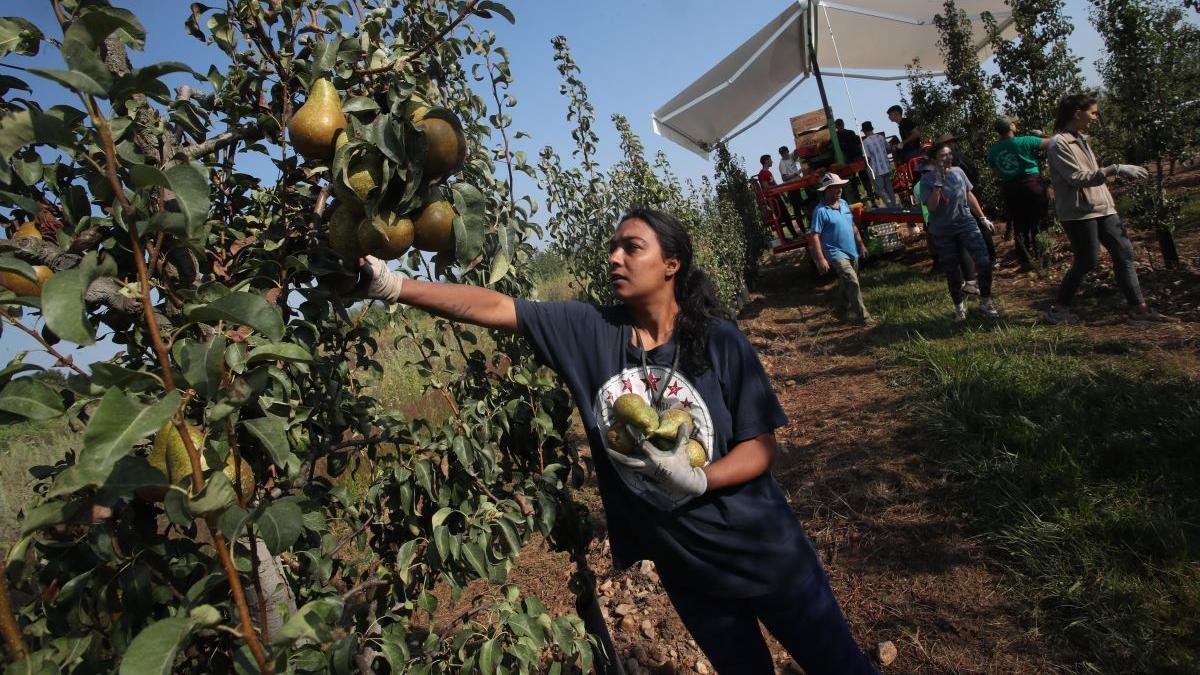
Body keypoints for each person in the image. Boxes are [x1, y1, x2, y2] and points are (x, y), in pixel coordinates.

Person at [353, 208, 879, 675]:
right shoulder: (591, 331)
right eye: (612, 247)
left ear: (671, 264)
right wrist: (394, 286)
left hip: (766, 551)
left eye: (632, 247)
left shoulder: (718, 339)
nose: (615, 258)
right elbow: (494, 306)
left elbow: (762, 445)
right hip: (690, 570)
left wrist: (699, 478)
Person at [1044, 94, 1171, 324]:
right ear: (1077, 113)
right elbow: (1076, 178)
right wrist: (1115, 169)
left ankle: (1138, 309)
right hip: (1079, 211)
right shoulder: (1059, 144)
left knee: (1124, 252)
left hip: (1104, 206)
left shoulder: (1080, 139)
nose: (1095, 117)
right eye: (1092, 112)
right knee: (1088, 259)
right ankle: (1059, 308)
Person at [918, 142, 1000, 320]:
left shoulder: (958, 172)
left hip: (965, 221)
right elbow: (932, 207)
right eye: (943, 155)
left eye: (949, 154)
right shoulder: (926, 181)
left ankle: (985, 302)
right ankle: (959, 307)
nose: (948, 158)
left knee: (984, 261)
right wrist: (938, 183)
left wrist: (982, 217)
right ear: (933, 160)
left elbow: (969, 195)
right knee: (952, 270)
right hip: (942, 229)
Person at [808, 174, 874, 326]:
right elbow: (815, 236)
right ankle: (864, 318)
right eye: (835, 187)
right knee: (852, 281)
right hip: (836, 253)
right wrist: (821, 258)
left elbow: (852, 226)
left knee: (847, 283)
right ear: (826, 190)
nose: (839, 190)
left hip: (851, 251)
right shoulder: (820, 211)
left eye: (840, 186)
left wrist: (861, 244)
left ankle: (840, 310)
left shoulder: (844, 204)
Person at [987, 116, 1051, 271]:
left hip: (1010, 188)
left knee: (1019, 224)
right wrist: (1042, 135)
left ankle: (1025, 261)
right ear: (1011, 127)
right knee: (1038, 222)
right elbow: (1053, 142)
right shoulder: (1025, 140)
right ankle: (1042, 259)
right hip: (1032, 184)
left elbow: (996, 173)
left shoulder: (993, 150)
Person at [935, 133, 997, 267]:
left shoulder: (954, 160)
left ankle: (988, 259)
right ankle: (989, 258)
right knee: (979, 225)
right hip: (970, 192)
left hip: (966, 195)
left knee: (977, 226)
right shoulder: (960, 156)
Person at [758, 154, 800, 240]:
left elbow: (775, 184)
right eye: (770, 160)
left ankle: (793, 235)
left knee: (786, 216)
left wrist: (783, 195)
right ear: (766, 161)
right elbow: (766, 187)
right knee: (781, 218)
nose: (772, 161)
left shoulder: (768, 172)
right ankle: (788, 238)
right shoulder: (762, 174)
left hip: (777, 197)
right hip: (773, 199)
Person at [861, 122, 896, 207]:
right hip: (886, 168)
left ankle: (890, 207)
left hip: (876, 170)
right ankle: (895, 206)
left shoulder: (865, 142)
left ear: (864, 131)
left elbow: (867, 158)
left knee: (880, 190)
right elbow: (889, 148)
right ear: (872, 129)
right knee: (889, 189)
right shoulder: (881, 137)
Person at [778, 145, 808, 232]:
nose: (784, 155)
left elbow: (796, 153)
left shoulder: (791, 157)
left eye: (785, 153)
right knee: (797, 210)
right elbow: (784, 178)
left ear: (787, 151)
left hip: (799, 185)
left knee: (804, 205)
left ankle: (808, 226)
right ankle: (803, 230)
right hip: (792, 188)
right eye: (782, 154)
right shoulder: (782, 164)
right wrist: (796, 173)